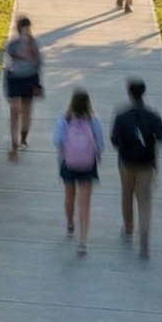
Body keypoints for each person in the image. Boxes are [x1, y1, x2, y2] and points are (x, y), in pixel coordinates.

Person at [110, 78, 162, 258]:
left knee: (127, 193)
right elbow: (161, 137)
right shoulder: (152, 115)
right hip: (146, 162)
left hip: (126, 162)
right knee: (144, 198)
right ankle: (144, 238)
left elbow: (114, 139)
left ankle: (128, 229)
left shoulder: (121, 116)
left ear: (130, 93)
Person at [55, 89, 104, 255]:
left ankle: (70, 224)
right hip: (88, 164)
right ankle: (83, 241)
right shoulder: (94, 120)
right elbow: (100, 143)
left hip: (68, 162)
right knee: (85, 202)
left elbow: (57, 140)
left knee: (69, 194)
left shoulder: (64, 118)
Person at [4, 16, 43, 155]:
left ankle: (18, 141)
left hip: (17, 78)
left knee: (18, 111)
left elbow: (8, 64)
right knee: (22, 111)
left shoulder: (13, 44)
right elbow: (38, 63)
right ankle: (20, 141)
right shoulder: (33, 43)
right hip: (28, 78)